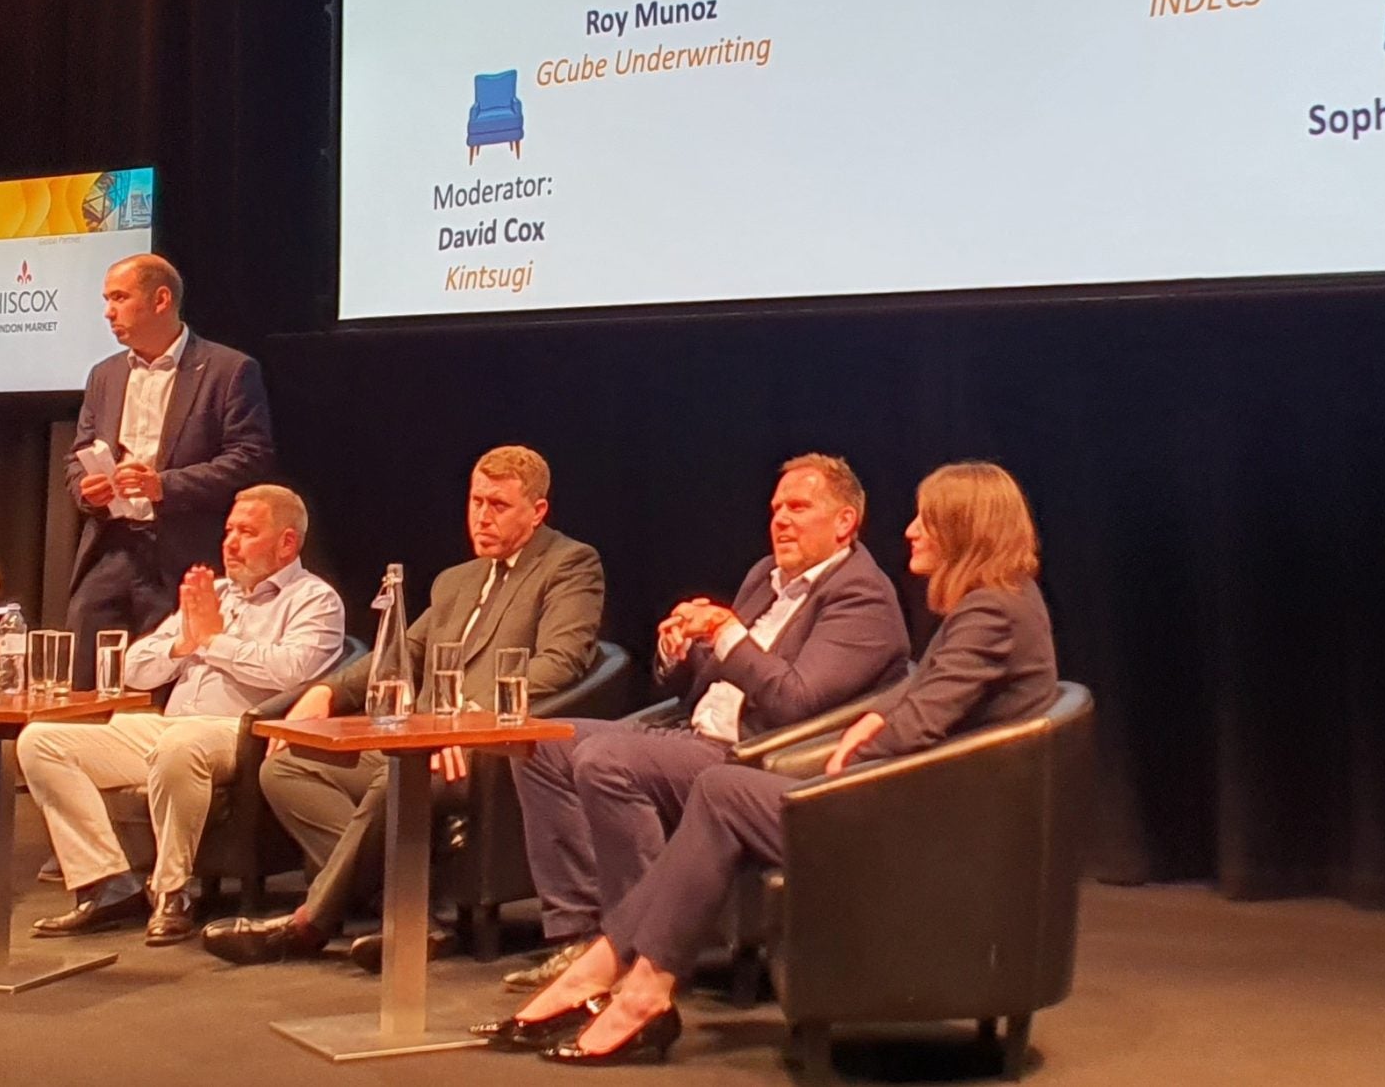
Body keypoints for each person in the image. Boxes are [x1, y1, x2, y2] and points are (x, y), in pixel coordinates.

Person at [482, 459, 1060, 1062]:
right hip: (884, 796)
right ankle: (621, 974)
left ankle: (623, 979)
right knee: (663, 774)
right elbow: (915, 700)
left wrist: (863, 740)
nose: (910, 531)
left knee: (720, 788)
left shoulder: (986, 612)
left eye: (927, 520)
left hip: (911, 821)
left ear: (966, 528)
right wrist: (690, 649)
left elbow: (905, 724)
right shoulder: (990, 606)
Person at [494, 452, 910, 993]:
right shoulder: (765, 576)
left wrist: (725, 631)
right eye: (776, 509)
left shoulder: (862, 597)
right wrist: (683, 650)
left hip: (756, 757)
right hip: (690, 734)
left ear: (844, 521)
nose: (781, 520)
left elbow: (796, 699)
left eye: (798, 507)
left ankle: (647, 950)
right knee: (540, 744)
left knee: (605, 758)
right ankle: (578, 935)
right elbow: (716, 676)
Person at [201, 445, 605, 969]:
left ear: (537, 511)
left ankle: (307, 924)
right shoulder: (457, 580)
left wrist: (469, 721)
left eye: (499, 505)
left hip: (488, 750)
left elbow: (560, 663)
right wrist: (327, 692)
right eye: (476, 501)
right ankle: (414, 916)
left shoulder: (570, 564)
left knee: (396, 777)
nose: (482, 516)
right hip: (424, 741)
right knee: (287, 769)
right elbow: (401, 656)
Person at [19, 483, 342, 944]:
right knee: (41, 740)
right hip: (169, 725)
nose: (230, 543)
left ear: (287, 543)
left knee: (179, 745)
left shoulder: (314, 600)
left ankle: (172, 893)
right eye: (229, 531)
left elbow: (292, 671)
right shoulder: (217, 593)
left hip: (241, 732)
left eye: (247, 532)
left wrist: (213, 640)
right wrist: (186, 642)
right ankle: (108, 884)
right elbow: (136, 667)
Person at [66, 253, 275, 682]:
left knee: (167, 681)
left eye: (119, 298)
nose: (108, 312)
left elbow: (250, 458)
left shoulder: (227, 370)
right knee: (85, 680)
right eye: (107, 300)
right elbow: (78, 454)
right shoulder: (104, 375)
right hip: (111, 547)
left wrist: (165, 486)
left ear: (161, 300)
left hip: (181, 554)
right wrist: (86, 488)